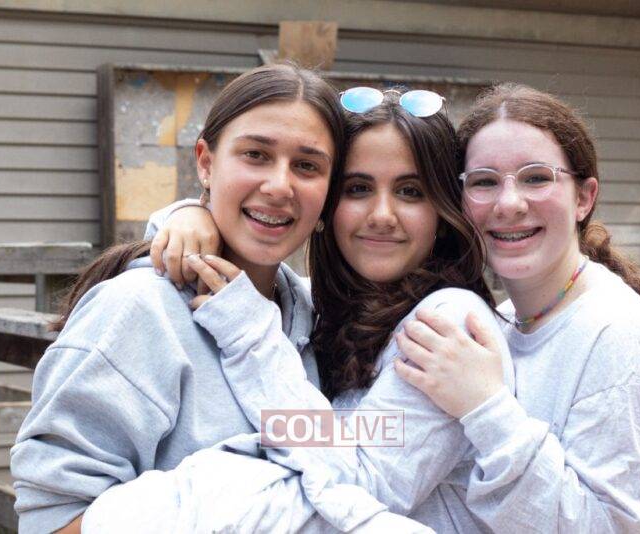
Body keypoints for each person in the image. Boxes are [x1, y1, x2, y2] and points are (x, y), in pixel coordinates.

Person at [11, 63, 422, 533]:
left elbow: (356, 461)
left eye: (307, 165)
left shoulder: (315, 319)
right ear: (206, 163)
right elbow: (53, 519)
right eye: (256, 155)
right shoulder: (138, 309)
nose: (279, 186)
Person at [103, 89, 515, 532]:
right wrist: (191, 216)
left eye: (410, 191)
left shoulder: (446, 323)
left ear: (443, 211)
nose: (382, 214)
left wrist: (249, 334)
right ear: (326, 205)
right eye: (358, 189)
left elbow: (365, 483)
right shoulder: (324, 309)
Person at [391, 83, 640, 532]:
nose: (509, 203)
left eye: (536, 178)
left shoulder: (617, 335)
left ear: (584, 197)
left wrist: (485, 406)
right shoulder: (505, 323)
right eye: (484, 182)